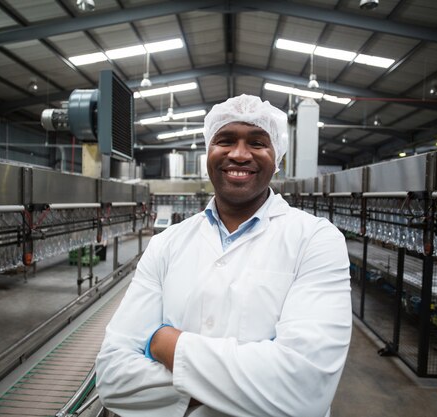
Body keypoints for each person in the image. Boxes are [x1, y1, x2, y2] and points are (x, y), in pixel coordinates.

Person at [95, 94, 352, 417]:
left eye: (258, 142)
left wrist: (165, 344)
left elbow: (305, 389)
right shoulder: (167, 243)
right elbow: (112, 377)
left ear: (278, 157)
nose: (240, 154)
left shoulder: (315, 239)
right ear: (208, 152)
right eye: (225, 140)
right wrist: (242, 392)